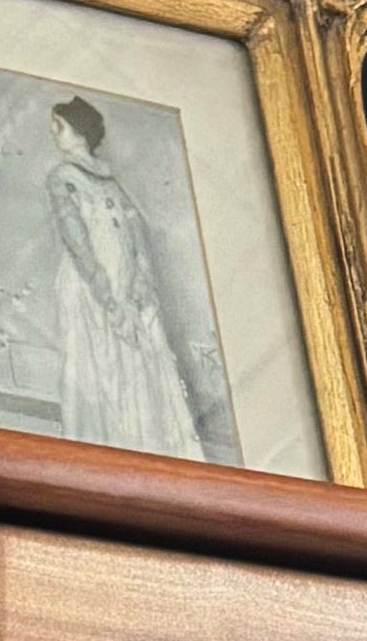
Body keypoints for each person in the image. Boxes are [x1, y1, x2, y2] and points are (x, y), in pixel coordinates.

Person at [37, 93, 231, 460]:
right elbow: (75, 237)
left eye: (58, 126)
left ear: (79, 133)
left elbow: (135, 233)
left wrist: (140, 282)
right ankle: (99, 454)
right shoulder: (63, 178)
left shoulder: (109, 181)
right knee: (97, 364)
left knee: (139, 363)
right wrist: (105, 295)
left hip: (125, 281)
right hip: (88, 284)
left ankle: (139, 448)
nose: (52, 133)